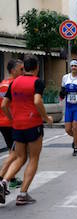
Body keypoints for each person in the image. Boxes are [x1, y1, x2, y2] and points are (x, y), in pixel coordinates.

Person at [0, 55, 53, 205]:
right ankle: (22, 194)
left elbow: (4, 105)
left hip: (17, 125)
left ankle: (3, 182)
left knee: (20, 157)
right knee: (33, 158)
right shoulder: (37, 82)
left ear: (25, 68)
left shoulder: (14, 82)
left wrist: (12, 119)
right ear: (36, 67)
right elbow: (37, 100)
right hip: (32, 124)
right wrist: (46, 117)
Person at [0, 59, 24, 192]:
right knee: (15, 153)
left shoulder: (2, 84)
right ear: (13, 70)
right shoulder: (15, 84)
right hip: (12, 123)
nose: (23, 72)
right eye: (21, 69)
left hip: (2, 122)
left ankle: (12, 179)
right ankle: (3, 179)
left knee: (12, 150)